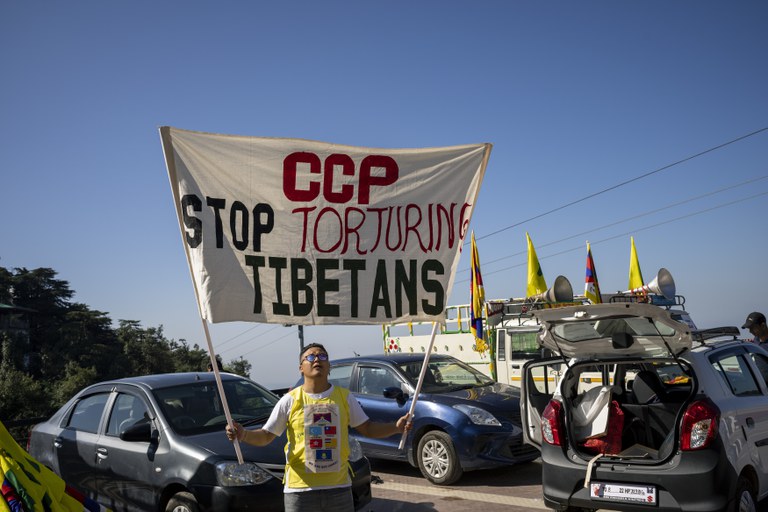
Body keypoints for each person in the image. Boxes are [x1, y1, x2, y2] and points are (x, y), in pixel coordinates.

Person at [225, 343, 411, 512]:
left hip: (339, 489)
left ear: (329, 366)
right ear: (301, 368)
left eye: (323, 357)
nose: (317, 360)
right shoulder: (289, 400)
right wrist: (243, 434)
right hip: (299, 491)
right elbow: (266, 436)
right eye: (311, 357)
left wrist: (395, 427)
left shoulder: (344, 397)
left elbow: (368, 429)